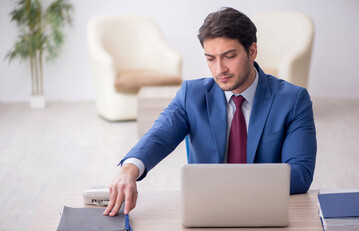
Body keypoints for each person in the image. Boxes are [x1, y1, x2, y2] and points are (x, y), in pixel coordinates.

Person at [103, 7, 317, 217]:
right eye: (210, 58)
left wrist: (229, 182)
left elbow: (300, 175)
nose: (219, 69)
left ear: (252, 51)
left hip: (267, 210)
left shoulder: (293, 100)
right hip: (206, 211)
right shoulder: (192, 94)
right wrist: (129, 170)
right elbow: (159, 135)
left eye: (229, 56)